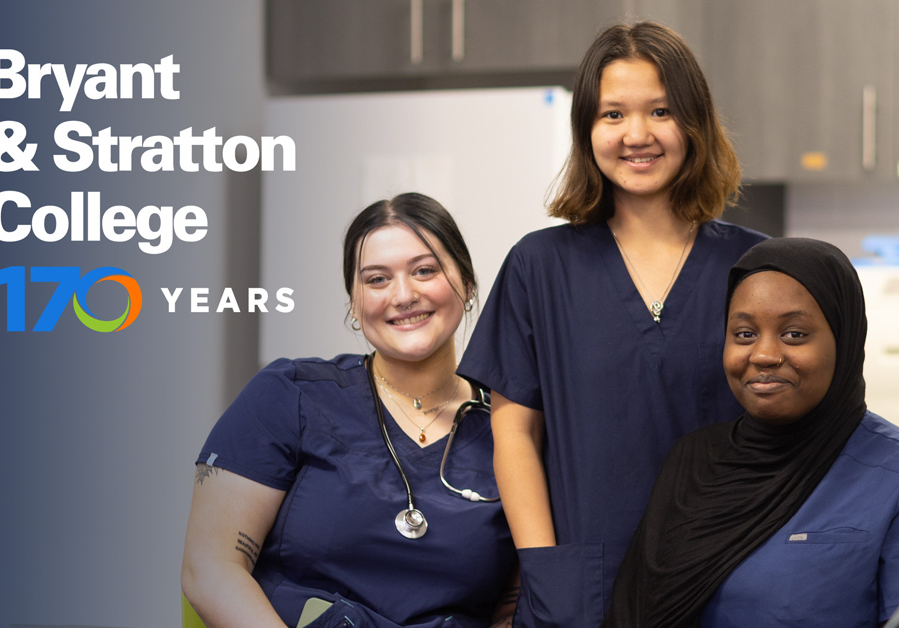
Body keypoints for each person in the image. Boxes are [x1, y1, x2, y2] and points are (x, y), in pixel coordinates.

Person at [457, 22, 767, 628]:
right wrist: (546, 573)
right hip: (581, 588)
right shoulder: (539, 266)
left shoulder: (756, 268)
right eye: (612, 115)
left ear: (695, 125)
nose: (637, 135)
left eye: (660, 111)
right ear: (587, 131)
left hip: (731, 574)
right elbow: (514, 435)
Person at [603, 237, 899, 628]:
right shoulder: (695, 463)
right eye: (745, 334)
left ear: (845, 340)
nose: (764, 355)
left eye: (794, 334)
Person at [182, 193, 517, 628]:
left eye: (425, 270)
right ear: (355, 304)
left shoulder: (511, 426)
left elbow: (512, 608)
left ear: (467, 284)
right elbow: (210, 569)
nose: (404, 295)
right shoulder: (290, 395)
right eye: (377, 280)